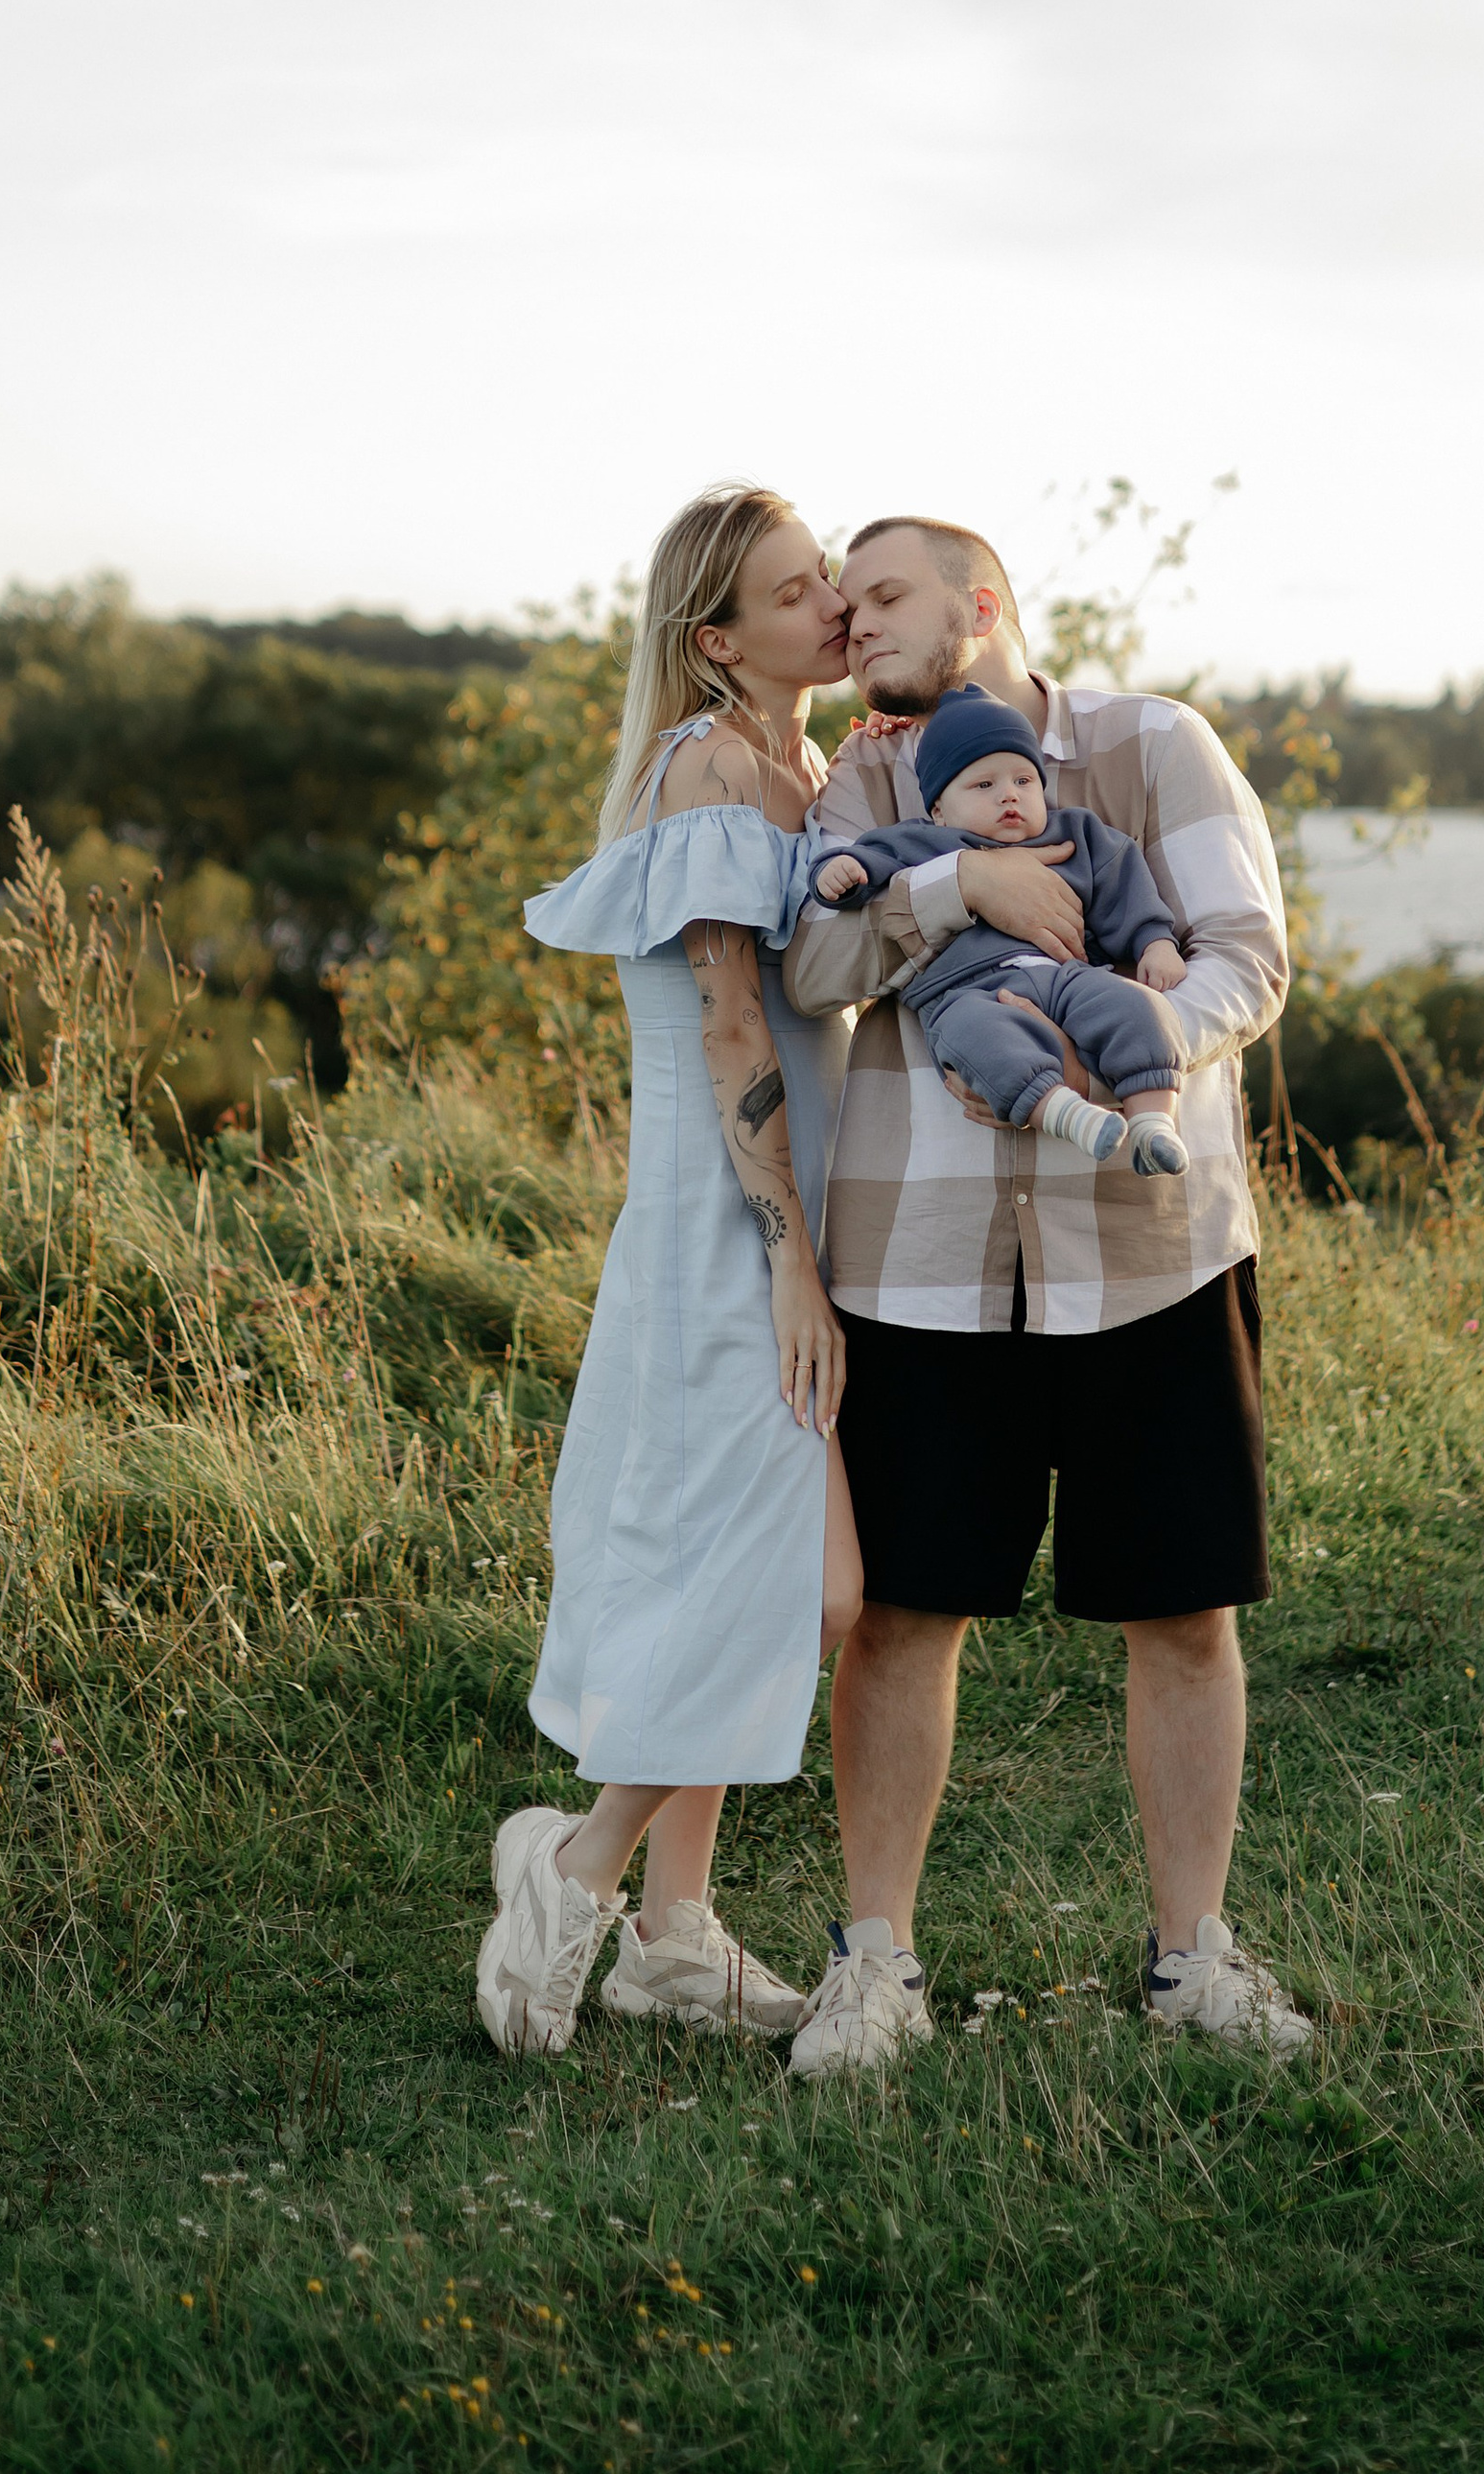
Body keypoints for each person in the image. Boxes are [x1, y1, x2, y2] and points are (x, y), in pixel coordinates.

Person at [779, 513, 1307, 2081]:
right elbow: (812, 967)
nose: (850, 622)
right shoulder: (859, 785)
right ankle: (875, 1967)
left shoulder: (1157, 747)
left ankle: (1191, 1959)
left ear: (982, 600)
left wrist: (1137, 1029)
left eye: (883, 595)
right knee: (898, 1619)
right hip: (923, 1268)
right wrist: (966, 894)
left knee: (1185, 1609)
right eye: (838, 598)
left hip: (1153, 1253)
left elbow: (1250, 957)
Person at [474, 483, 863, 2059]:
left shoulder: (807, 769)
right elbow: (729, 1027)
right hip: (728, 1234)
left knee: (754, 1572)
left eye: (830, 574)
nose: (833, 601)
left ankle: (674, 1935)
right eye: (793, 592)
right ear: (717, 639)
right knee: (805, 1585)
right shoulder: (709, 770)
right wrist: (790, 1265)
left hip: (792, 1229)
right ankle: (570, 1871)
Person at [811, 683, 1192, 1171]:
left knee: (1139, 1007)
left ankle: (1153, 1125)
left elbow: (1126, 887)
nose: (1009, 795)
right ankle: (1068, 1116)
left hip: (1070, 975)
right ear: (940, 810)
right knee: (979, 1039)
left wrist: (1155, 942)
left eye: (1023, 781)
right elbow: (869, 864)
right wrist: (839, 871)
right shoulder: (925, 843)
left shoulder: (1076, 835)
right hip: (966, 992)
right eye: (984, 785)